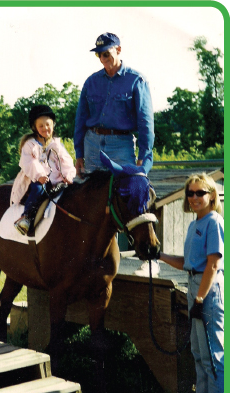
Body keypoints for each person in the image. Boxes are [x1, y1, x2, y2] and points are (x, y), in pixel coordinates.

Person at [73, 32, 159, 275]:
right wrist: (79, 151)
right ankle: (88, 259)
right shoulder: (91, 81)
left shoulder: (136, 80)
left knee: (134, 196)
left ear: (118, 50)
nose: (103, 59)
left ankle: (145, 257)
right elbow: (80, 118)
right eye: (100, 55)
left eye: (107, 53)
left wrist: (145, 156)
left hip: (121, 145)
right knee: (90, 199)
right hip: (92, 144)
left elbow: (145, 122)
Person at [159, 173, 224, 393]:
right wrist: (159, 255)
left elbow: (213, 264)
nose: (194, 197)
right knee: (198, 354)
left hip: (208, 290)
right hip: (195, 286)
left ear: (212, 195)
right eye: (190, 193)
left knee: (213, 357)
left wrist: (198, 299)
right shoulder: (194, 224)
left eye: (200, 193)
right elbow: (187, 262)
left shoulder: (214, 221)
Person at [11, 105, 76, 235]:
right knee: (38, 189)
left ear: (53, 124)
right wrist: (40, 175)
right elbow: (29, 163)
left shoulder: (57, 145)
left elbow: (66, 161)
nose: (45, 128)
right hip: (38, 179)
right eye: (41, 126)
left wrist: (68, 175)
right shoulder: (30, 145)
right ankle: (27, 218)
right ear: (35, 128)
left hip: (57, 180)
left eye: (48, 124)